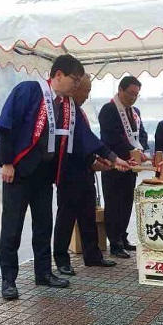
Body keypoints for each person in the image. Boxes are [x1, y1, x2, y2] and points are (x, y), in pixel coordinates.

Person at [0, 54, 85, 300]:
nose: (76, 86)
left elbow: (83, 137)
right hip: (19, 171)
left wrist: (110, 157)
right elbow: (6, 126)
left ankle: (43, 272)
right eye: (75, 80)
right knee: (12, 227)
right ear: (58, 75)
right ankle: (8, 280)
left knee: (44, 224)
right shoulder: (29, 91)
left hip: (44, 174)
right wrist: (7, 162)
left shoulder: (67, 105)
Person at [53, 74, 129, 274]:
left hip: (84, 173)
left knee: (88, 215)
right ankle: (61, 260)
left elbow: (88, 140)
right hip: (68, 173)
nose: (87, 96)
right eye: (86, 91)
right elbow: (77, 142)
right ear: (75, 88)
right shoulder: (63, 108)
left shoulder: (77, 110)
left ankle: (93, 255)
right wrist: (109, 158)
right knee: (66, 217)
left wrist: (100, 160)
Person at [99, 76, 149, 259]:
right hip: (114, 164)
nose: (133, 98)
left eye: (136, 94)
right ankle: (114, 243)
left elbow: (141, 134)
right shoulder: (108, 110)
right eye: (130, 93)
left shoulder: (135, 111)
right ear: (120, 90)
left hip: (132, 165)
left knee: (127, 202)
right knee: (113, 203)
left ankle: (123, 236)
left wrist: (140, 150)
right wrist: (131, 151)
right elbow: (112, 137)